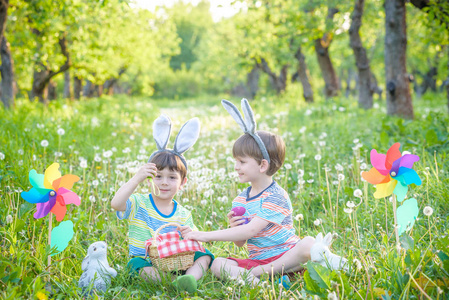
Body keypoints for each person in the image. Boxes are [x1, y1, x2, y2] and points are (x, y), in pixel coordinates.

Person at [183, 99, 315, 286]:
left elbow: (252, 229)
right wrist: (234, 227)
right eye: (236, 161)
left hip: (286, 257)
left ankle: (258, 275)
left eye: (242, 162)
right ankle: (265, 284)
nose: (236, 167)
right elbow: (241, 242)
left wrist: (203, 235)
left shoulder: (276, 196)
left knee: (308, 243)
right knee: (218, 264)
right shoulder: (240, 200)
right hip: (259, 260)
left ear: (263, 165)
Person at [111, 115, 214, 294]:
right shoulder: (139, 202)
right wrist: (136, 178)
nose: (164, 182)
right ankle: (175, 281)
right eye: (158, 176)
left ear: (183, 183)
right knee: (136, 266)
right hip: (147, 261)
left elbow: (194, 240)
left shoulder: (183, 213)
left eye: (172, 177)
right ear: (148, 179)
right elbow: (116, 204)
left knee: (205, 255)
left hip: (176, 260)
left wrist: (190, 234)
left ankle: (190, 277)